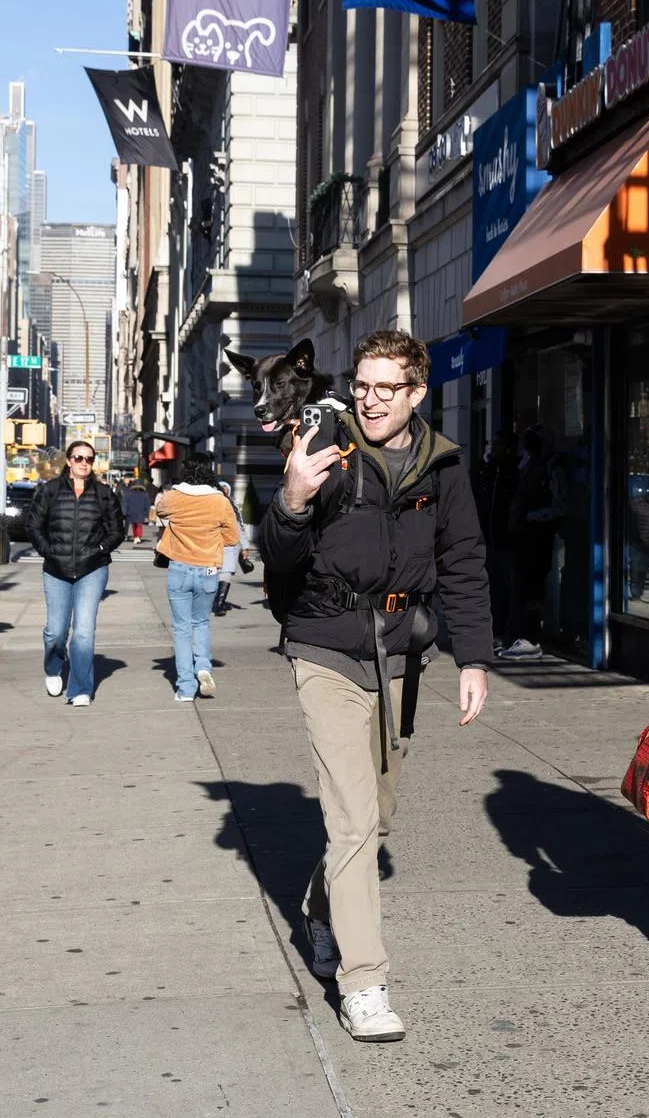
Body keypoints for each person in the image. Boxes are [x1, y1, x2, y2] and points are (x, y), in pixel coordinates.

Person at [260, 328, 492, 1042]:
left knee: (377, 819)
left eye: (385, 387)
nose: (370, 399)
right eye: (362, 384)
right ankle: (364, 984)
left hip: (400, 655)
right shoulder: (328, 445)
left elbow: (464, 559)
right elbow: (277, 558)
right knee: (354, 822)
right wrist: (293, 501)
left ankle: (322, 910)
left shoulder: (441, 463)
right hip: (325, 644)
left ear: (417, 392)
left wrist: (475, 658)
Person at [27, 440, 125, 706]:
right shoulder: (50, 491)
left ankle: (81, 689)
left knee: (83, 631)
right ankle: (53, 667)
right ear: (69, 460)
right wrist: (48, 551)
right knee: (56, 631)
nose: (84, 463)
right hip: (56, 569)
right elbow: (34, 526)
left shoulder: (104, 493)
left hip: (92, 568)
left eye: (89, 459)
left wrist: (101, 548)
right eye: (79, 458)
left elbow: (118, 530)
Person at [154, 456, 240, 701]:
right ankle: (203, 666)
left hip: (180, 567)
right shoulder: (220, 501)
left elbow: (160, 510)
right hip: (209, 569)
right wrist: (211, 540)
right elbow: (232, 538)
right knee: (201, 622)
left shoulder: (174, 496)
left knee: (181, 629)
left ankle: (185, 688)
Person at [499, 426, 563, 660]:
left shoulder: (546, 469)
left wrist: (531, 517)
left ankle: (530, 639)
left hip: (536, 539)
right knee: (519, 590)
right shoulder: (528, 466)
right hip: (521, 538)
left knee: (529, 590)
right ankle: (519, 637)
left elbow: (558, 506)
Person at [472, 432, 517, 648]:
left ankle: (506, 632)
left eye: (500, 445)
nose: (495, 449)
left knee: (508, 590)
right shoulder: (487, 470)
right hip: (488, 540)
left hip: (507, 542)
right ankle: (494, 631)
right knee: (491, 589)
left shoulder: (513, 471)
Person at [214, 480, 252, 616]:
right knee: (214, 575)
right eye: (222, 489)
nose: (225, 491)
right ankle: (214, 601)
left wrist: (245, 547)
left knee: (226, 574)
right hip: (215, 546)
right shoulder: (213, 504)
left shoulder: (233, 506)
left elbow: (239, 527)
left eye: (226, 489)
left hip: (230, 547)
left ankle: (218, 604)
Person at [120, 480, 151, 545]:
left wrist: (124, 512)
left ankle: (136, 537)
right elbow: (147, 505)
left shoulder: (128, 494)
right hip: (141, 512)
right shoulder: (145, 494)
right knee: (139, 525)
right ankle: (138, 537)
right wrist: (148, 514)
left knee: (134, 525)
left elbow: (125, 504)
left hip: (131, 512)